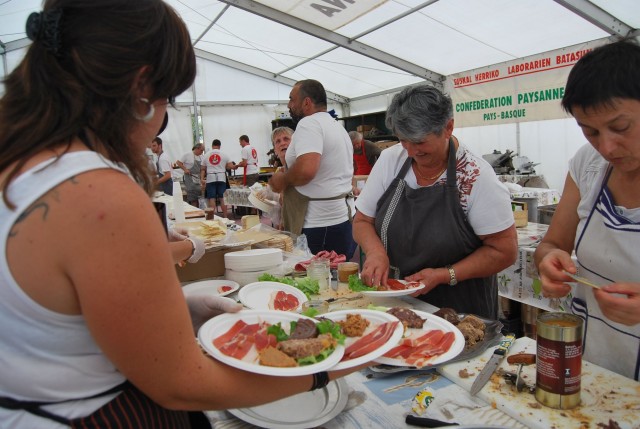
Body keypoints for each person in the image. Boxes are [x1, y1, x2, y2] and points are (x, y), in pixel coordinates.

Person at [0, 2, 365, 427]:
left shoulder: (22, 164)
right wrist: (326, 366)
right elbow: (181, 382)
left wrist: (176, 305)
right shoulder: (99, 195)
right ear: (139, 89)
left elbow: (59, 316)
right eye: (165, 100)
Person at [353, 85, 517, 319]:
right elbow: (362, 221)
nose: (410, 152)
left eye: (419, 143)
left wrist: (444, 274)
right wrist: (376, 252)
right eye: (403, 141)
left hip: (460, 313)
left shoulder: (474, 175)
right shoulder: (391, 159)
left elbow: (504, 250)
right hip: (398, 303)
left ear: (448, 127)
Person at [533, 40, 640, 381]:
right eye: (590, 131)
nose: (606, 147)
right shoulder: (588, 164)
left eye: (621, 128)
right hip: (596, 364)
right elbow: (552, 244)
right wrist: (548, 263)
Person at [269, 80, 356, 259]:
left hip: (318, 225)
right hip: (342, 219)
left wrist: (282, 180)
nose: (289, 105)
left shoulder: (309, 124)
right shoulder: (337, 127)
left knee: (314, 281)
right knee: (336, 282)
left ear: (306, 103)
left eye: (292, 100)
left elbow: (307, 170)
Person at [201, 139, 235, 217]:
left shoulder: (206, 155)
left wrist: (202, 179)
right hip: (221, 177)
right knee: (222, 198)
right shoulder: (224, 154)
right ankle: (225, 216)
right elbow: (230, 166)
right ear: (219, 146)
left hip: (210, 177)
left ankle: (212, 217)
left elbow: (203, 168)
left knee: (211, 198)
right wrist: (236, 166)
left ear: (212, 146)